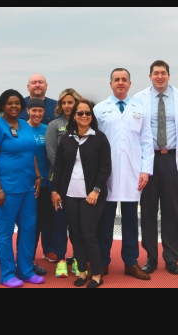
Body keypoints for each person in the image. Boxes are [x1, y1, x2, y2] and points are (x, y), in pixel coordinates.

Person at [133, 60, 178, 275]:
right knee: (148, 210)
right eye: (156, 73)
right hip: (148, 160)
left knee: (171, 209)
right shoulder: (139, 99)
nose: (160, 76)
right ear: (150, 76)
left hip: (172, 159)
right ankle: (150, 257)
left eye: (163, 73)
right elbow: (134, 131)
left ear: (169, 75)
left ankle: (171, 257)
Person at [94, 68, 153, 281]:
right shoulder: (100, 109)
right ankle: (102, 262)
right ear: (110, 84)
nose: (120, 83)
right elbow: (94, 142)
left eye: (124, 80)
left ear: (130, 84)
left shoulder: (140, 109)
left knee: (130, 221)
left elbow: (147, 142)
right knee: (105, 221)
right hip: (106, 174)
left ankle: (130, 262)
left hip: (132, 173)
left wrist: (146, 170)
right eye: (116, 80)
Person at [0, 89, 45, 288]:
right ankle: (7, 274)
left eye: (17, 103)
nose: (14, 106)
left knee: (28, 230)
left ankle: (26, 270)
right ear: (2, 105)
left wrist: (37, 175)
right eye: (10, 103)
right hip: (6, 190)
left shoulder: (25, 125)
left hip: (27, 188)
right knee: (5, 232)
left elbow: (31, 153)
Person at [51, 100, 112, 288]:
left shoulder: (100, 138)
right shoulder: (67, 139)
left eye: (87, 113)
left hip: (91, 196)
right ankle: (82, 273)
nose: (84, 116)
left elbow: (105, 167)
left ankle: (96, 275)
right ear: (74, 116)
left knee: (88, 233)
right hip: (69, 195)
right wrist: (54, 190)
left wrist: (96, 190)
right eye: (80, 113)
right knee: (75, 234)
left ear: (91, 116)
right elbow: (59, 166)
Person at [45, 88, 82, 278]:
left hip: (79, 183)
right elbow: (52, 154)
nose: (67, 106)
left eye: (71, 102)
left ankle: (77, 258)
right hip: (59, 183)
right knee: (59, 224)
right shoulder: (54, 125)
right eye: (64, 102)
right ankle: (61, 259)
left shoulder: (83, 123)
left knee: (77, 225)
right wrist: (65, 175)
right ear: (60, 105)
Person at [25, 98, 50, 276]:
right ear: (28, 111)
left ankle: (38, 254)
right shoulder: (21, 128)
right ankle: (27, 260)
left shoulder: (47, 129)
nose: (37, 114)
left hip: (46, 183)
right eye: (34, 111)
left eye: (40, 111)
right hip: (28, 182)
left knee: (41, 222)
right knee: (29, 224)